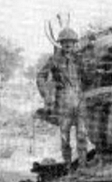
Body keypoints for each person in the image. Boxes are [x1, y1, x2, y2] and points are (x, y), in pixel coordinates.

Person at [36, 28, 88, 167]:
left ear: (74, 43)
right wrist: (46, 93)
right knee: (65, 137)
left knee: (82, 134)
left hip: (80, 100)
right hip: (63, 101)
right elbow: (41, 76)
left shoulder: (80, 59)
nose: (68, 45)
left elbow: (88, 77)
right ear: (61, 43)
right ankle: (68, 166)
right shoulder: (54, 60)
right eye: (65, 42)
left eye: (70, 42)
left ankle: (83, 165)